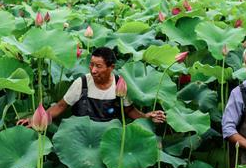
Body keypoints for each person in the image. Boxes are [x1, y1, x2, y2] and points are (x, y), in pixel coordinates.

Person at [17, 47, 166, 126]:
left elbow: (129, 110)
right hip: (81, 137)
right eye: (91, 65)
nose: (93, 70)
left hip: (109, 138)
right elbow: (61, 106)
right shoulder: (81, 83)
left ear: (111, 67)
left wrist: (146, 116)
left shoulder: (119, 84)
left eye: (99, 66)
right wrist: (36, 120)